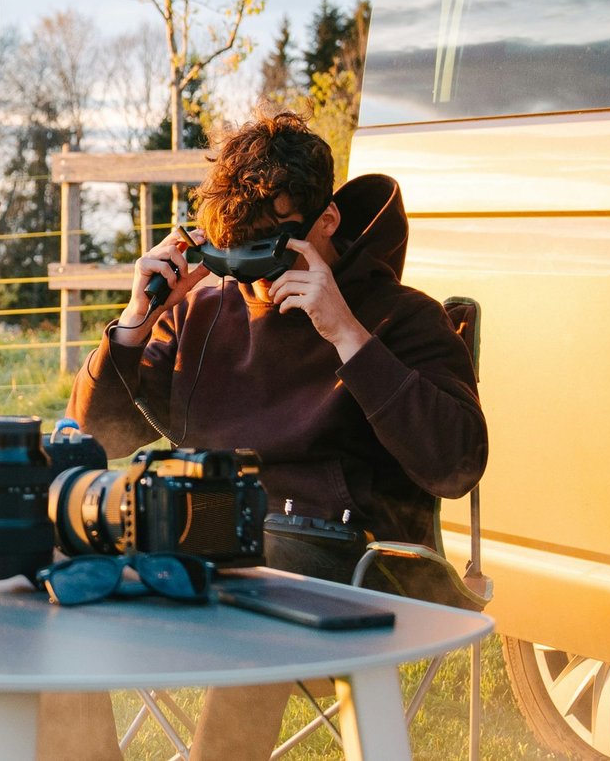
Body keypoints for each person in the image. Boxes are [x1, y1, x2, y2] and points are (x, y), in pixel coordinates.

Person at [66, 109, 487, 761]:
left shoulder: (401, 319)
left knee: (256, 614)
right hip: (200, 540)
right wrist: (137, 318)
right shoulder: (206, 309)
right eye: (237, 255)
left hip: (345, 562)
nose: (254, 280)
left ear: (327, 222)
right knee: (61, 581)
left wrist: (347, 334)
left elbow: (456, 464)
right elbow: (95, 433)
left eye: (270, 250)